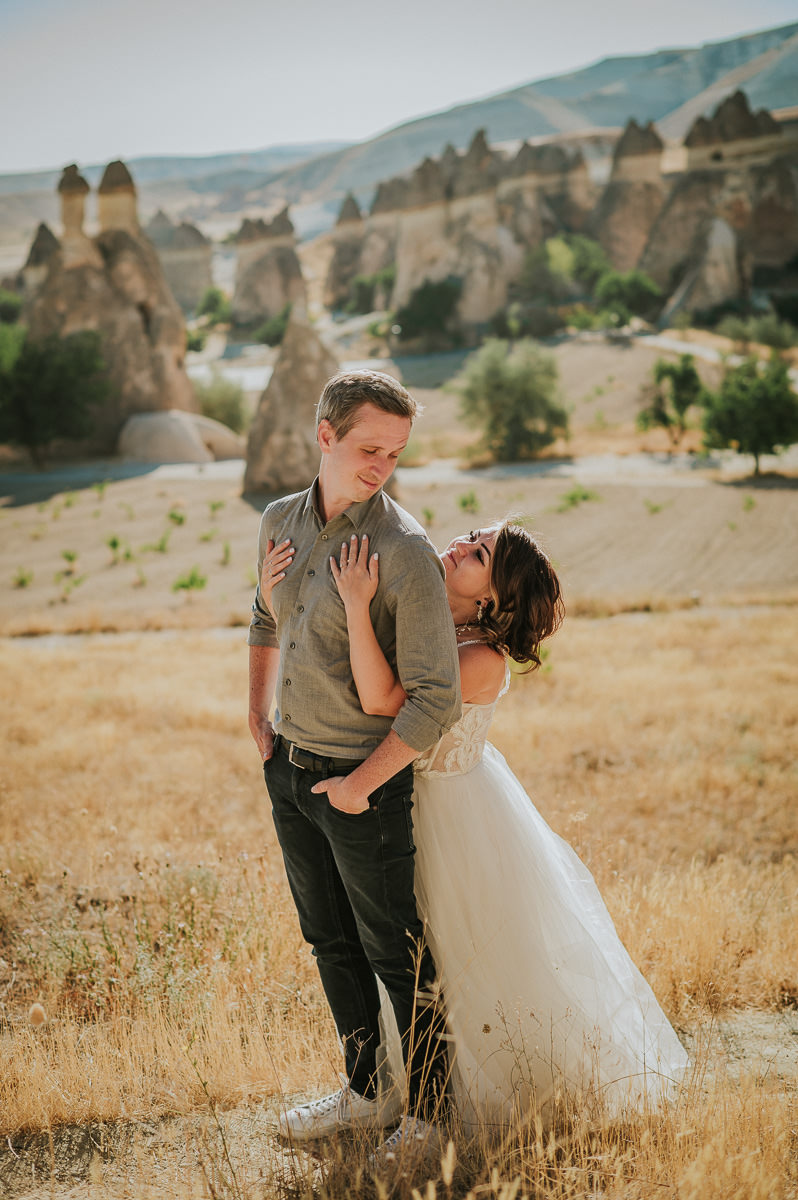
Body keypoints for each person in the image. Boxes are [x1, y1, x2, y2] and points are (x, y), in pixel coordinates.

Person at [263, 519, 689, 1137]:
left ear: (491, 599)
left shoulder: (482, 658)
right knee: (373, 948)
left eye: (478, 553)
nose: (459, 545)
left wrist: (357, 605)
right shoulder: (433, 614)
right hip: (400, 797)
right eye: (470, 534)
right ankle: (376, 1090)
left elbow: (383, 700)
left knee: (441, 959)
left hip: (453, 818)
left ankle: (439, 1115)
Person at [248, 369, 461, 1159]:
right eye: (369, 448)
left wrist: (358, 787)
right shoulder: (277, 520)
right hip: (290, 769)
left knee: (396, 950)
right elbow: (261, 618)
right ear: (325, 434)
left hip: (360, 787)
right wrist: (255, 717)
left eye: (396, 454)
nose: (382, 467)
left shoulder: (403, 550)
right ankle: (367, 1093)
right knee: (328, 940)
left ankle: (432, 1118)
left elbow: (436, 700)